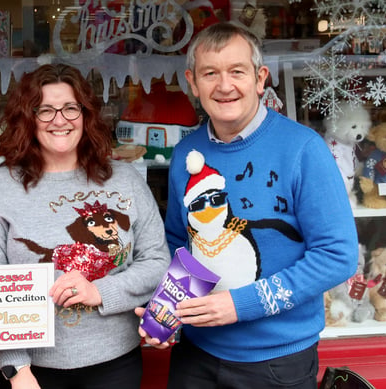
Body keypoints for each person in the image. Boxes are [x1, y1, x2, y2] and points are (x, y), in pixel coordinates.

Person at [139, 22, 359, 388]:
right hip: (195, 355)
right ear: (193, 83)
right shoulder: (186, 154)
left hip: (276, 361)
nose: (225, 86)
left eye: (237, 72)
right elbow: (182, 244)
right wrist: (166, 315)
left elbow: (337, 256)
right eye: (211, 73)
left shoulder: (303, 149)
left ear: (260, 79)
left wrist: (241, 305)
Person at [0, 63, 170, 389]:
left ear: (86, 115)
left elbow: (157, 262)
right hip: (33, 372)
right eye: (45, 110)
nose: (59, 120)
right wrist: (15, 369)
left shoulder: (125, 179)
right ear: (28, 118)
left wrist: (99, 291)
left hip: (116, 364)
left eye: (70, 108)